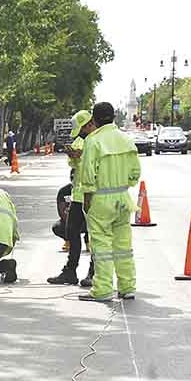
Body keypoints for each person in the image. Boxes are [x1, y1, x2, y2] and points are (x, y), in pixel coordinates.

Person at [78, 102, 140, 302]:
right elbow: (135, 173)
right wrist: (122, 185)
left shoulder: (93, 141)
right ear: (114, 117)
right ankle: (127, 287)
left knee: (101, 246)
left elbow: (88, 174)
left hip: (101, 199)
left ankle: (103, 289)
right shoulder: (126, 139)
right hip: (123, 198)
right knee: (123, 246)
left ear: (94, 120)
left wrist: (87, 197)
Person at [48, 110, 96, 287]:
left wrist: (81, 156)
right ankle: (70, 271)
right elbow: (75, 166)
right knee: (71, 232)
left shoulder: (98, 140)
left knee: (94, 236)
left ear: (89, 124)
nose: (82, 133)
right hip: (78, 193)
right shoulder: (80, 140)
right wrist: (74, 156)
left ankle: (94, 272)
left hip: (94, 194)